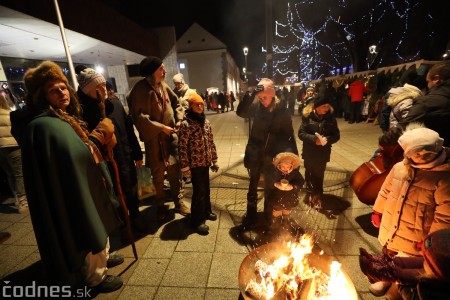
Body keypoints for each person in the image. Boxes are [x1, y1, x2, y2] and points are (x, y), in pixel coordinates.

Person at [10, 60, 123, 292]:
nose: (62, 92)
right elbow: (77, 155)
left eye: (63, 86)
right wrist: (98, 137)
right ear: (42, 96)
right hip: (74, 193)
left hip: (85, 184)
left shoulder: (61, 116)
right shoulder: (44, 126)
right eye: (54, 89)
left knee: (98, 222)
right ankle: (96, 277)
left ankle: (103, 256)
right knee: (86, 227)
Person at [368, 125, 450, 297]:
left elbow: (445, 216)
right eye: (416, 153)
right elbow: (385, 190)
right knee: (388, 252)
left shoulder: (443, 176)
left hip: (418, 230)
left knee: (407, 259)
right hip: (393, 224)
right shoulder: (399, 168)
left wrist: (432, 240)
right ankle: (385, 277)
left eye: (427, 153)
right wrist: (378, 211)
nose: (421, 157)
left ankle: (401, 281)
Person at [127, 56, 190, 220]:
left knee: (175, 173)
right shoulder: (139, 90)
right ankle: (160, 205)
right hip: (155, 141)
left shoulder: (163, 86)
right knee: (158, 176)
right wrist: (162, 128)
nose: (165, 71)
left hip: (170, 140)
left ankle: (179, 202)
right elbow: (139, 117)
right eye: (161, 68)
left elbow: (178, 103)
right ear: (152, 72)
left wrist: (179, 119)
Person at [236, 78, 298, 228]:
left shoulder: (281, 111)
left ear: (272, 95)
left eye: (265, 97)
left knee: (270, 187)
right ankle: (251, 214)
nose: (262, 100)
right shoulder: (256, 107)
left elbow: (289, 135)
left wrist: (292, 156)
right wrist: (251, 95)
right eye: (260, 97)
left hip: (271, 156)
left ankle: (268, 215)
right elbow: (240, 112)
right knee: (253, 185)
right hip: (255, 153)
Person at [359, 228, 450, 300]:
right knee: (426, 262)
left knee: (429, 268)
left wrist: (403, 287)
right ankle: (390, 265)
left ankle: (390, 274)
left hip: (433, 284)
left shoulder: (434, 293)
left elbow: (417, 295)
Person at [105, 81, 145, 232]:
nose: (109, 93)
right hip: (111, 160)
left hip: (126, 156)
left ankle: (135, 216)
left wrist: (137, 154)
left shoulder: (116, 105)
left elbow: (129, 130)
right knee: (116, 192)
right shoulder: (95, 110)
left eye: (109, 90)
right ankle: (123, 223)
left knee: (132, 189)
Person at [178, 93, 219, 235]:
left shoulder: (205, 122)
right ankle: (197, 220)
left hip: (205, 162)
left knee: (206, 189)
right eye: (197, 104)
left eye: (202, 104)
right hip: (195, 164)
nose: (201, 107)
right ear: (191, 106)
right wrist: (185, 167)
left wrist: (214, 160)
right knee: (199, 192)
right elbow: (182, 147)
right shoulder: (186, 124)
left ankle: (206, 211)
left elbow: (211, 142)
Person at [298, 97, 340, 210]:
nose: (326, 108)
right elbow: (301, 133)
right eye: (323, 106)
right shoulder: (307, 117)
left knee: (319, 175)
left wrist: (327, 139)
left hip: (323, 153)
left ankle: (318, 196)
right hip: (309, 152)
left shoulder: (331, 118)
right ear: (316, 106)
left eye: (327, 106)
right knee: (309, 173)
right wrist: (313, 139)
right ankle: (310, 192)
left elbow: (336, 135)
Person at [400, 61, 450, 147]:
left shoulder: (428, 102)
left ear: (436, 79)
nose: (427, 85)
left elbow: (403, 126)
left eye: (428, 81)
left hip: (436, 153)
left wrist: (383, 140)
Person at [0, 93, 28, 213]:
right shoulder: (7, 113)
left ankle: (17, 197)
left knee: (10, 174)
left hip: (1, 149)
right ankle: (23, 202)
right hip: (13, 146)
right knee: (19, 174)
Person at [269, 152, 305, 231]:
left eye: (287, 166)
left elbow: (301, 181)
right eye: (283, 166)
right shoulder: (275, 172)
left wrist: (293, 186)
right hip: (277, 196)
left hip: (290, 196)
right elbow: (270, 180)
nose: (285, 168)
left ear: (291, 166)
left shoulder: (295, 173)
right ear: (279, 165)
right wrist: (275, 184)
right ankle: (275, 222)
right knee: (276, 209)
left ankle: (286, 221)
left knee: (287, 209)